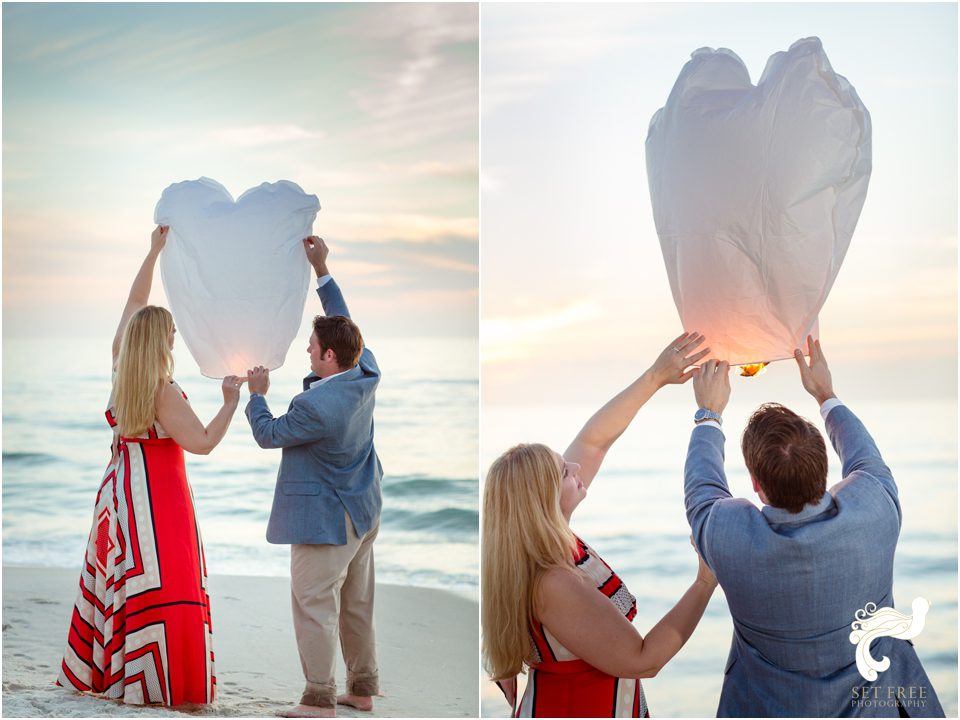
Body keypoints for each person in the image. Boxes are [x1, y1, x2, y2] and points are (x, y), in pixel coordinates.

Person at [686, 337, 944, 717]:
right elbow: (865, 457)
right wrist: (825, 393)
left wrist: (709, 412)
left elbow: (701, 491)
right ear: (825, 465)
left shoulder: (729, 538)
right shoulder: (875, 509)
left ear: (756, 484)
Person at [482, 333, 719, 718]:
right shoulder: (553, 581)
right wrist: (705, 581)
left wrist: (656, 376)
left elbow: (595, 441)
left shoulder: (547, 543)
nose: (577, 468)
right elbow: (643, 660)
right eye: (563, 471)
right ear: (542, 499)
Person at [57, 225, 245, 705]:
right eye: (174, 334)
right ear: (161, 339)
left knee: (124, 583)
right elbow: (202, 443)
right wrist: (230, 400)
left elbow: (132, 302)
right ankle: (161, 686)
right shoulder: (162, 390)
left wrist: (154, 250)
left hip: (119, 498)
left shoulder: (122, 370)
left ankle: (117, 680)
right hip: (159, 505)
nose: (177, 340)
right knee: (169, 584)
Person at [245, 236, 382, 719]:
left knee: (313, 603)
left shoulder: (315, 405)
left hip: (328, 519)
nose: (306, 351)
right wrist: (322, 270)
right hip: (365, 509)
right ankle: (362, 689)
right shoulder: (365, 370)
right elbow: (346, 322)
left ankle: (319, 699)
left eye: (311, 347)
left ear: (329, 358)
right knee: (357, 601)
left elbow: (268, 434)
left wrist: (257, 393)